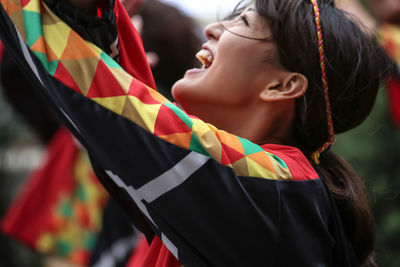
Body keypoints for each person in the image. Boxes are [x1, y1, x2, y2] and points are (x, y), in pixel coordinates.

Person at [0, 0, 392, 266]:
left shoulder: (273, 190)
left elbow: (119, 106)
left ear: (283, 86)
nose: (211, 29)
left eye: (243, 22)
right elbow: (134, 108)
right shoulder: (259, 192)